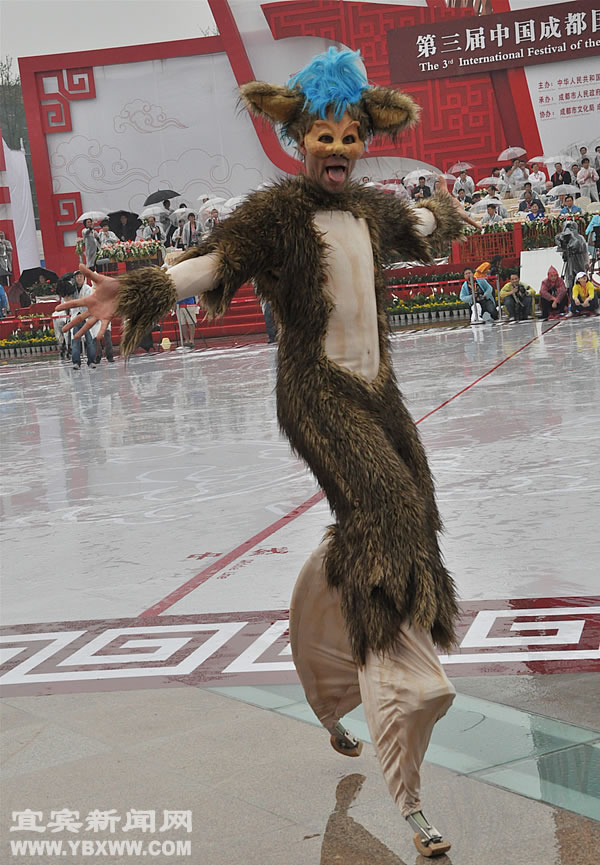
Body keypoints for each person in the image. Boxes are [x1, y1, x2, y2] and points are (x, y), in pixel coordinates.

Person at [58, 47, 478, 859]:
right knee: (385, 509)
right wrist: (135, 288)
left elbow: (422, 223)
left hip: (378, 390)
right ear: (297, 138)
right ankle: (403, 711)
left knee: (409, 508)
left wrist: (445, 212)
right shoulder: (275, 214)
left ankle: (326, 686)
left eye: (350, 133)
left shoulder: (370, 211)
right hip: (317, 392)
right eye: (322, 131)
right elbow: (210, 266)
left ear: (363, 142)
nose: (337, 145)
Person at [68, 271, 97, 369]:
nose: (79, 278)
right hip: (76, 317)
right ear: (75, 278)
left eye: (81, 276)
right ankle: (76, 362)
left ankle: (91, 361)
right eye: (77, 276)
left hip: (86, 317)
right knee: (75, 341)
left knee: (90, 340)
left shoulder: (88, 289)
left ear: (84, 278)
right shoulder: (71, 290)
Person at [555, 221, 589, 291]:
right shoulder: (563, 238)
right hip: (569, 260)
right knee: (570, 279)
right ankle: (571, 295)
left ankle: (584, 294)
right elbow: (561, 248)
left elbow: (583, 250)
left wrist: (586, 262)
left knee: (581, 277)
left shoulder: (580, 238)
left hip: (579, 261)